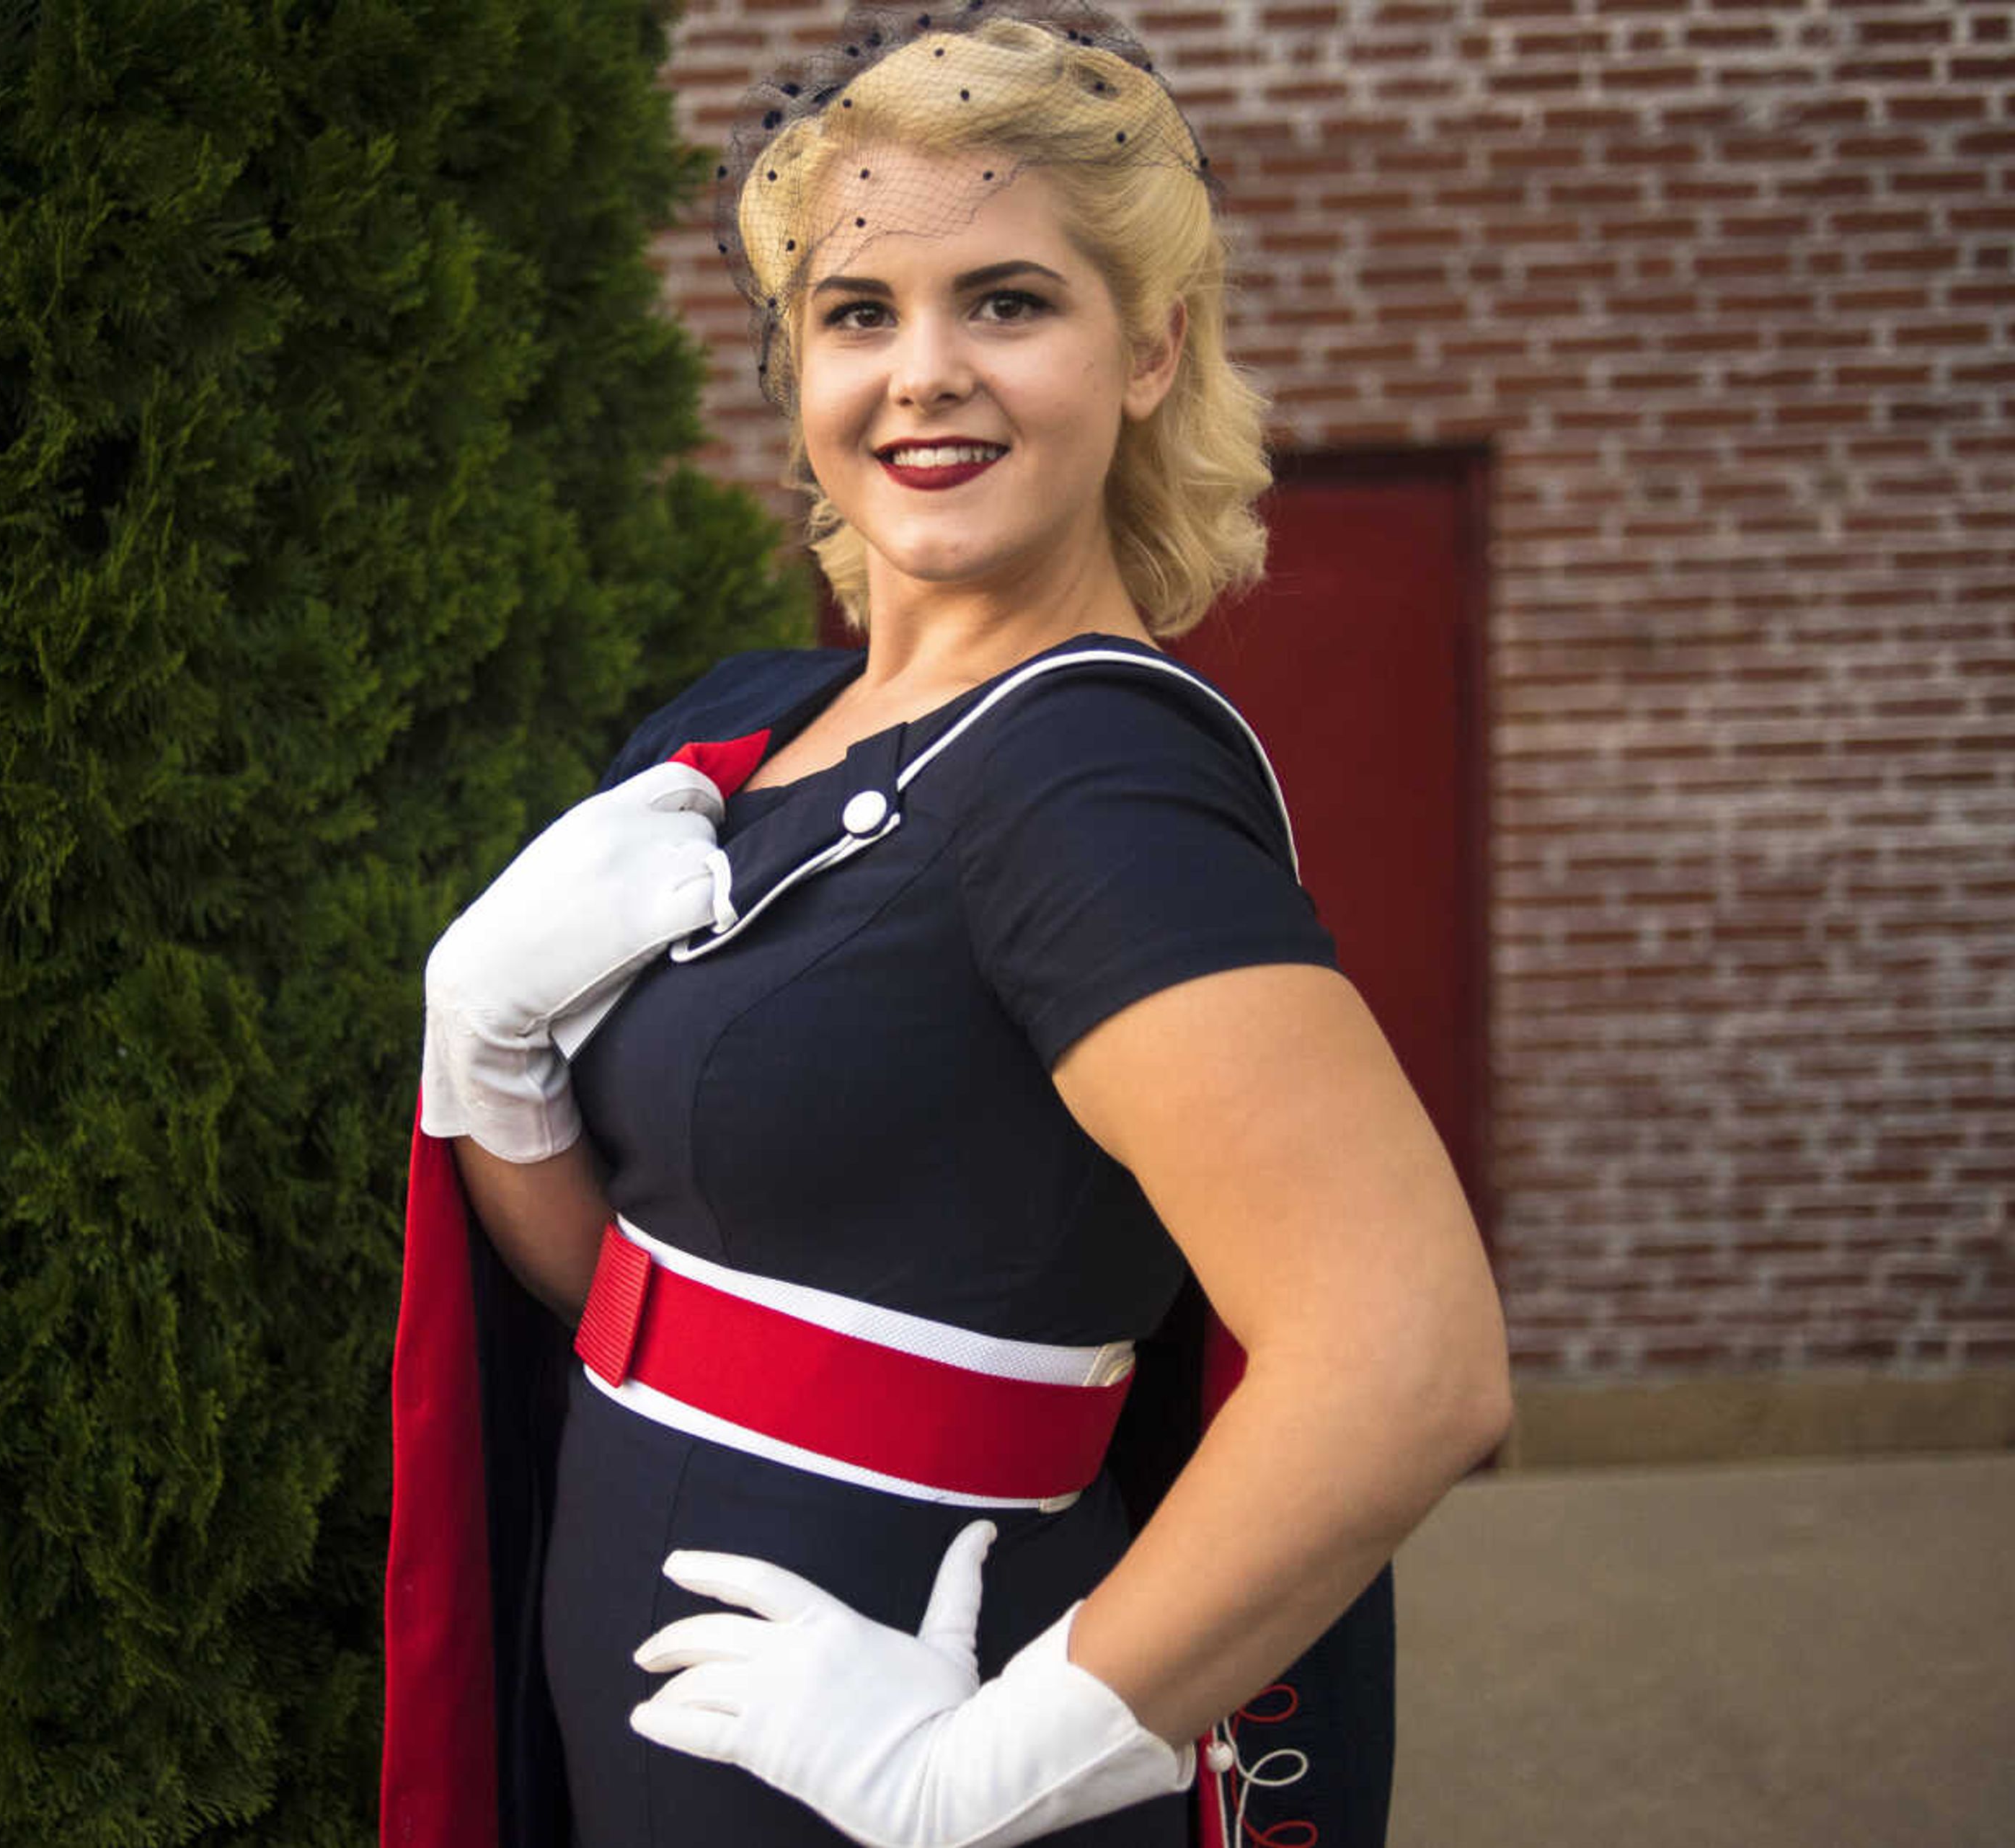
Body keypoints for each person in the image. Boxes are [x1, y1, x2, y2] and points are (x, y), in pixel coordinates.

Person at [380, 6, 1511, 1844]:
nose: (924, 372)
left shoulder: (1088, 779)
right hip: (642, 1713)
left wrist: (972, 1773)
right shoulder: (727, 739)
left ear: (1146, 353)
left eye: (1008, 302)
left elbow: (1410, 1364)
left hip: (898, 1776)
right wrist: (487, 1058)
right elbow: (644, 1299)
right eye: (857, 312)